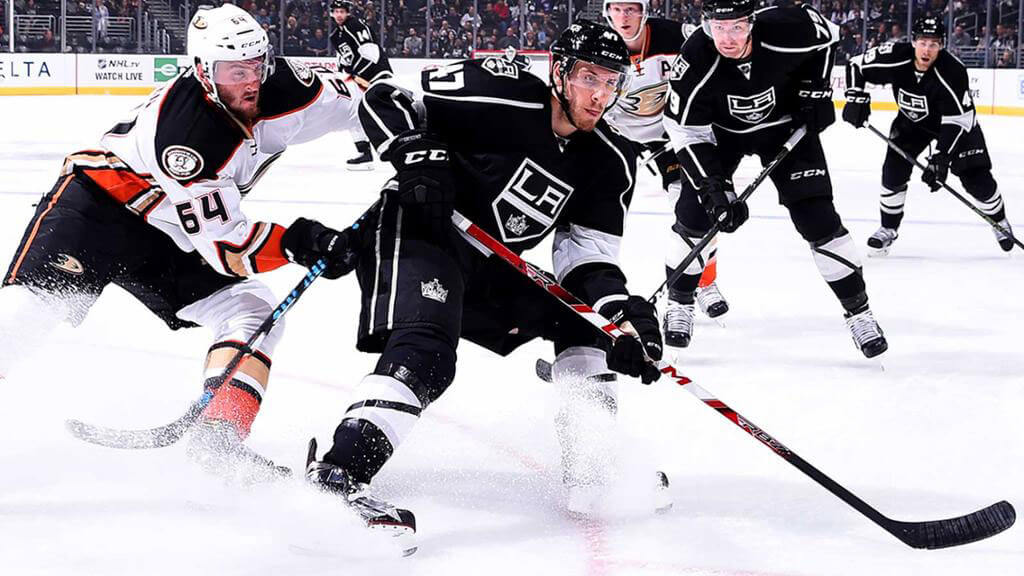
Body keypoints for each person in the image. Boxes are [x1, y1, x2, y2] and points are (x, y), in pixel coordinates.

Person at [303, 21, 667, 547]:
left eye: (612, 83)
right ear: (560, 72)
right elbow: (385, 97)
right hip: (420, 231)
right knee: (429, 352)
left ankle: (592, 464)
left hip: (489, 264)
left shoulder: (608, 162)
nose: (601, 95)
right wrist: (411, 148)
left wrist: (621, 315)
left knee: (587, 321)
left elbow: (586, 259)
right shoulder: (504, 93)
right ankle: (338, 476)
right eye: (590, 77)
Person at [0, 4, 383, 478]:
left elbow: (367, 103)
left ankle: (219, 440)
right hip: (99, 208)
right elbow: (229, 248)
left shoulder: (291, 88)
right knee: (22, 319)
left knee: (250, 310)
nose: (249, 81)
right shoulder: (185, 135)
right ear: (203, 70)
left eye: (257, 65)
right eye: (233, 70)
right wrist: (299, 241)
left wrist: (425, 128)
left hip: (174, 232)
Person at [662, 0, 888, 358]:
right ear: (705, 24)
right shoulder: (694, 61)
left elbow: (828, 38)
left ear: (751, 22)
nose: (728, 38)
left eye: (736, 26)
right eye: (718, 27)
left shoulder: (788, 26)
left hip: (786, 130)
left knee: (819, 220)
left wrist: (817, 89)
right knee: (695, 216)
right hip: (721, 137)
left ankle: (859, 312)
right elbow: (684, 131)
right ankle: (680, 302)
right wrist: (712, 187)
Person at [601, 0, 730, 349]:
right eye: (617, 9)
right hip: (616, 136)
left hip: (670, 136)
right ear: (607, 12)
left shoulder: (675, 35)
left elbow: (716, 43)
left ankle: (702, 281)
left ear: (643, 11)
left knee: (697, 208)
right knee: (600, 215)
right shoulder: (600, 43)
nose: (624, 18)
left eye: (631, 9)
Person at [843, 15, 1015, 254]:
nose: (927, 50)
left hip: (954, 126)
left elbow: (959, 119)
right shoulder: (894, 55)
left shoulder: (953, 71)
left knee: (976, 179)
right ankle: (888, 229)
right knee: (893, 171)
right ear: (913, 41)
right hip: (912, 123)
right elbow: (855, 65)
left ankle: (999, 220)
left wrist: (942, 157)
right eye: (923, 42)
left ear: (942, 45)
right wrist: (855, 97)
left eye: (933, 44)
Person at [330, 0, 393, 170]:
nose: (339, 15)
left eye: (342, 11)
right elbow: (343, 59)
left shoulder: (355, 26)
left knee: (387, 114)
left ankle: (398, 148)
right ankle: (365, 153)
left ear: (348, 12)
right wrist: (344, 72)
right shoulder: (335, 35)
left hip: (377, 75)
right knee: (353, 114)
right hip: (358, 81)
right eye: (336, 11)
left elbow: (371, 53)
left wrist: (357, 73)